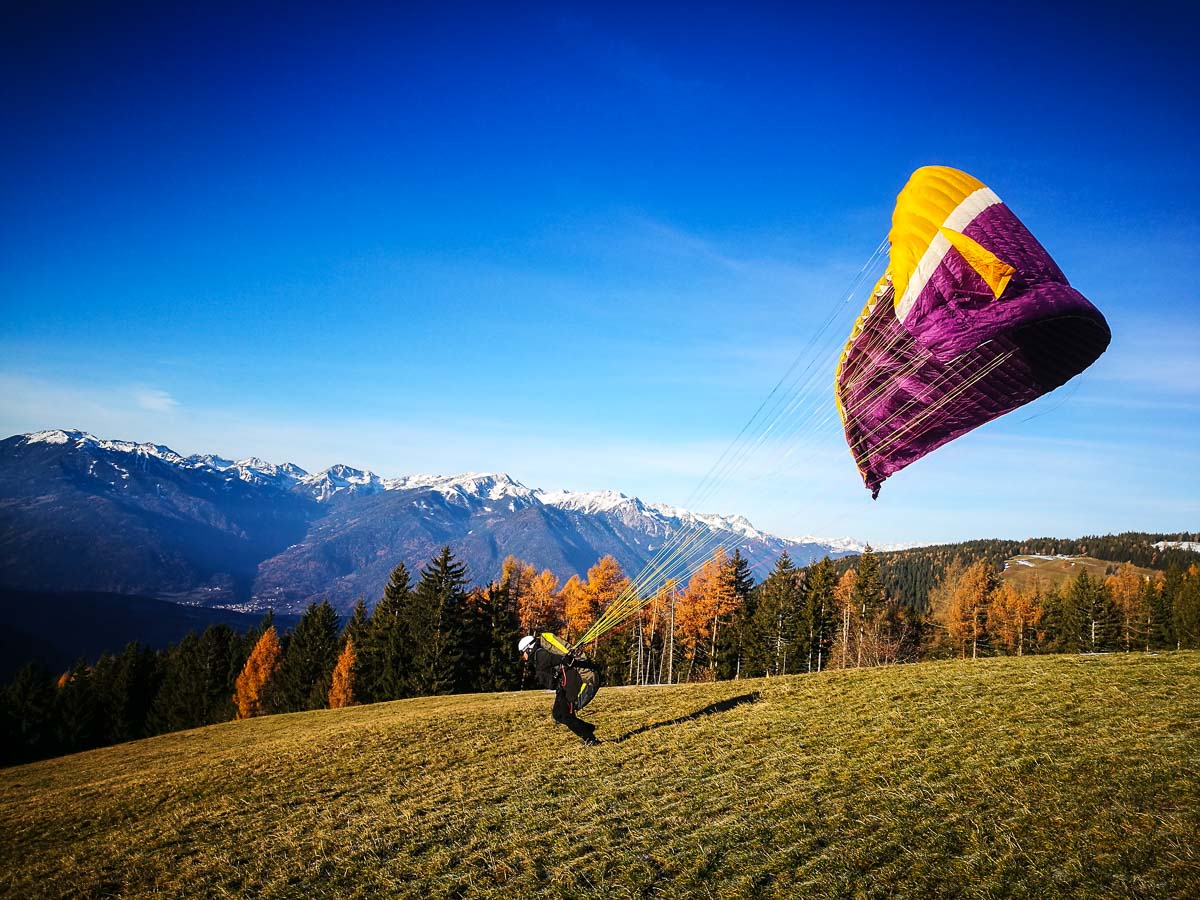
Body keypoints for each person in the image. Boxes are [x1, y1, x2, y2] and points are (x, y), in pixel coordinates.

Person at [519, 634, 601, 745]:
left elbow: (555, 659)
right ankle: (587, 728)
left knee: (565, 714)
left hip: (572, 679)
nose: (523, 657)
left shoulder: (540, 655)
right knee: (558, 714)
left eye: (522, 653)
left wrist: (563, 660)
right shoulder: (538, 656)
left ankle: (590, 738)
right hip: (564, 682)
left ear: (528, 649)